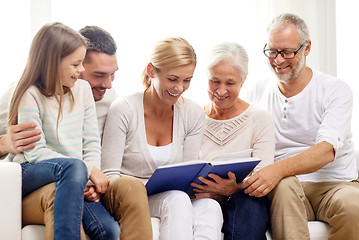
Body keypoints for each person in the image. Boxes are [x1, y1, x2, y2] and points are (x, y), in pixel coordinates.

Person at [0, 25, 153, 240]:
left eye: (113, 75)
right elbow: (35, 153)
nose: (108, 85)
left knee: (110, 226)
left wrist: (91, 181)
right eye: (98, 74)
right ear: (54, 64)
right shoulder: (24, 93)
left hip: (78, 177)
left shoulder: (93, 93)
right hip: (41, 175)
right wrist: (6, 143)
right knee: (73, 169)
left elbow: (91, 143)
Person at [243, 13, 359, 240]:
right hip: (287, 186)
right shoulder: (256, 91)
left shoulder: (335, 90)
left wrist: (276, 170)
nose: (278, 61)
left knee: (353, 205)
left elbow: (326, 150)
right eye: (272, 51)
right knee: (284, 186)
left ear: (306, 49)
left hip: (335, 183)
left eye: (287, 52)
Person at [101, 36, 223, 240]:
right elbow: (109, 173)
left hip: (172, 194)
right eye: (172, 79)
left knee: (209, 206)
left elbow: (188, 170)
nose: (179, 88)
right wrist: (142, 190)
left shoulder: (192, 113)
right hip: (130, 198)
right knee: (176, 199)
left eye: (187, 80)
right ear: (151, 71)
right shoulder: (124, 108)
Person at [190, 42, 274, 240]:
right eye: (214, 81)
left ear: (243, 82)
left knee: (249, 203)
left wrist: (232, 189)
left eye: (230, 83)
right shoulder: (193, 116)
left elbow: (263, 173)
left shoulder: (260, 118)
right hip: (201, 197)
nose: (220, 91)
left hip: (245, 198)